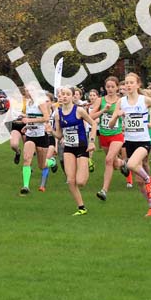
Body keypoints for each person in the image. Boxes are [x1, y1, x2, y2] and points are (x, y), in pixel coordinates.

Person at [107, 73, 151, 217]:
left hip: (143, 141)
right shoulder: (121, 102)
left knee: (131, 165)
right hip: (129, 142)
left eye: (131, 82)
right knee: (139, 181)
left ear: (138, 85)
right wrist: (116, 115)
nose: (128, 85)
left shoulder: (144, 100)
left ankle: (149, 179)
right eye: (126, 83)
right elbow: (110, 126)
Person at [53, 86, 97, 216]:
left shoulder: (79, 110)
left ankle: (89, 161)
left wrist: (92, 141)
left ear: (73, 96)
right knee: (70, 180)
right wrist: (51, 131)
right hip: (68, 148)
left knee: (80, 182)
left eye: (67, 94)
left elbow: (93, 124)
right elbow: (60, 135)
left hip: (82, 146)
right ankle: (81, 207)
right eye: (62, 94)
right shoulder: (58, 114)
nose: (64, 96)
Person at [91, 76, 132, 201]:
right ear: (105, 87)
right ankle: (124, 163)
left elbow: (129, 115)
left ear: (117, 87)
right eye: (108, 87)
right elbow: (91, 116)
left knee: (108, 160)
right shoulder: (100, 100)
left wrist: (123, 116)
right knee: (114, 163)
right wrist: (104, 110)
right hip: (104, 135)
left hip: (117, 135)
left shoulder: (122, 101)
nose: (110, 89)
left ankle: (104, 190)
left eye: (112, 87)